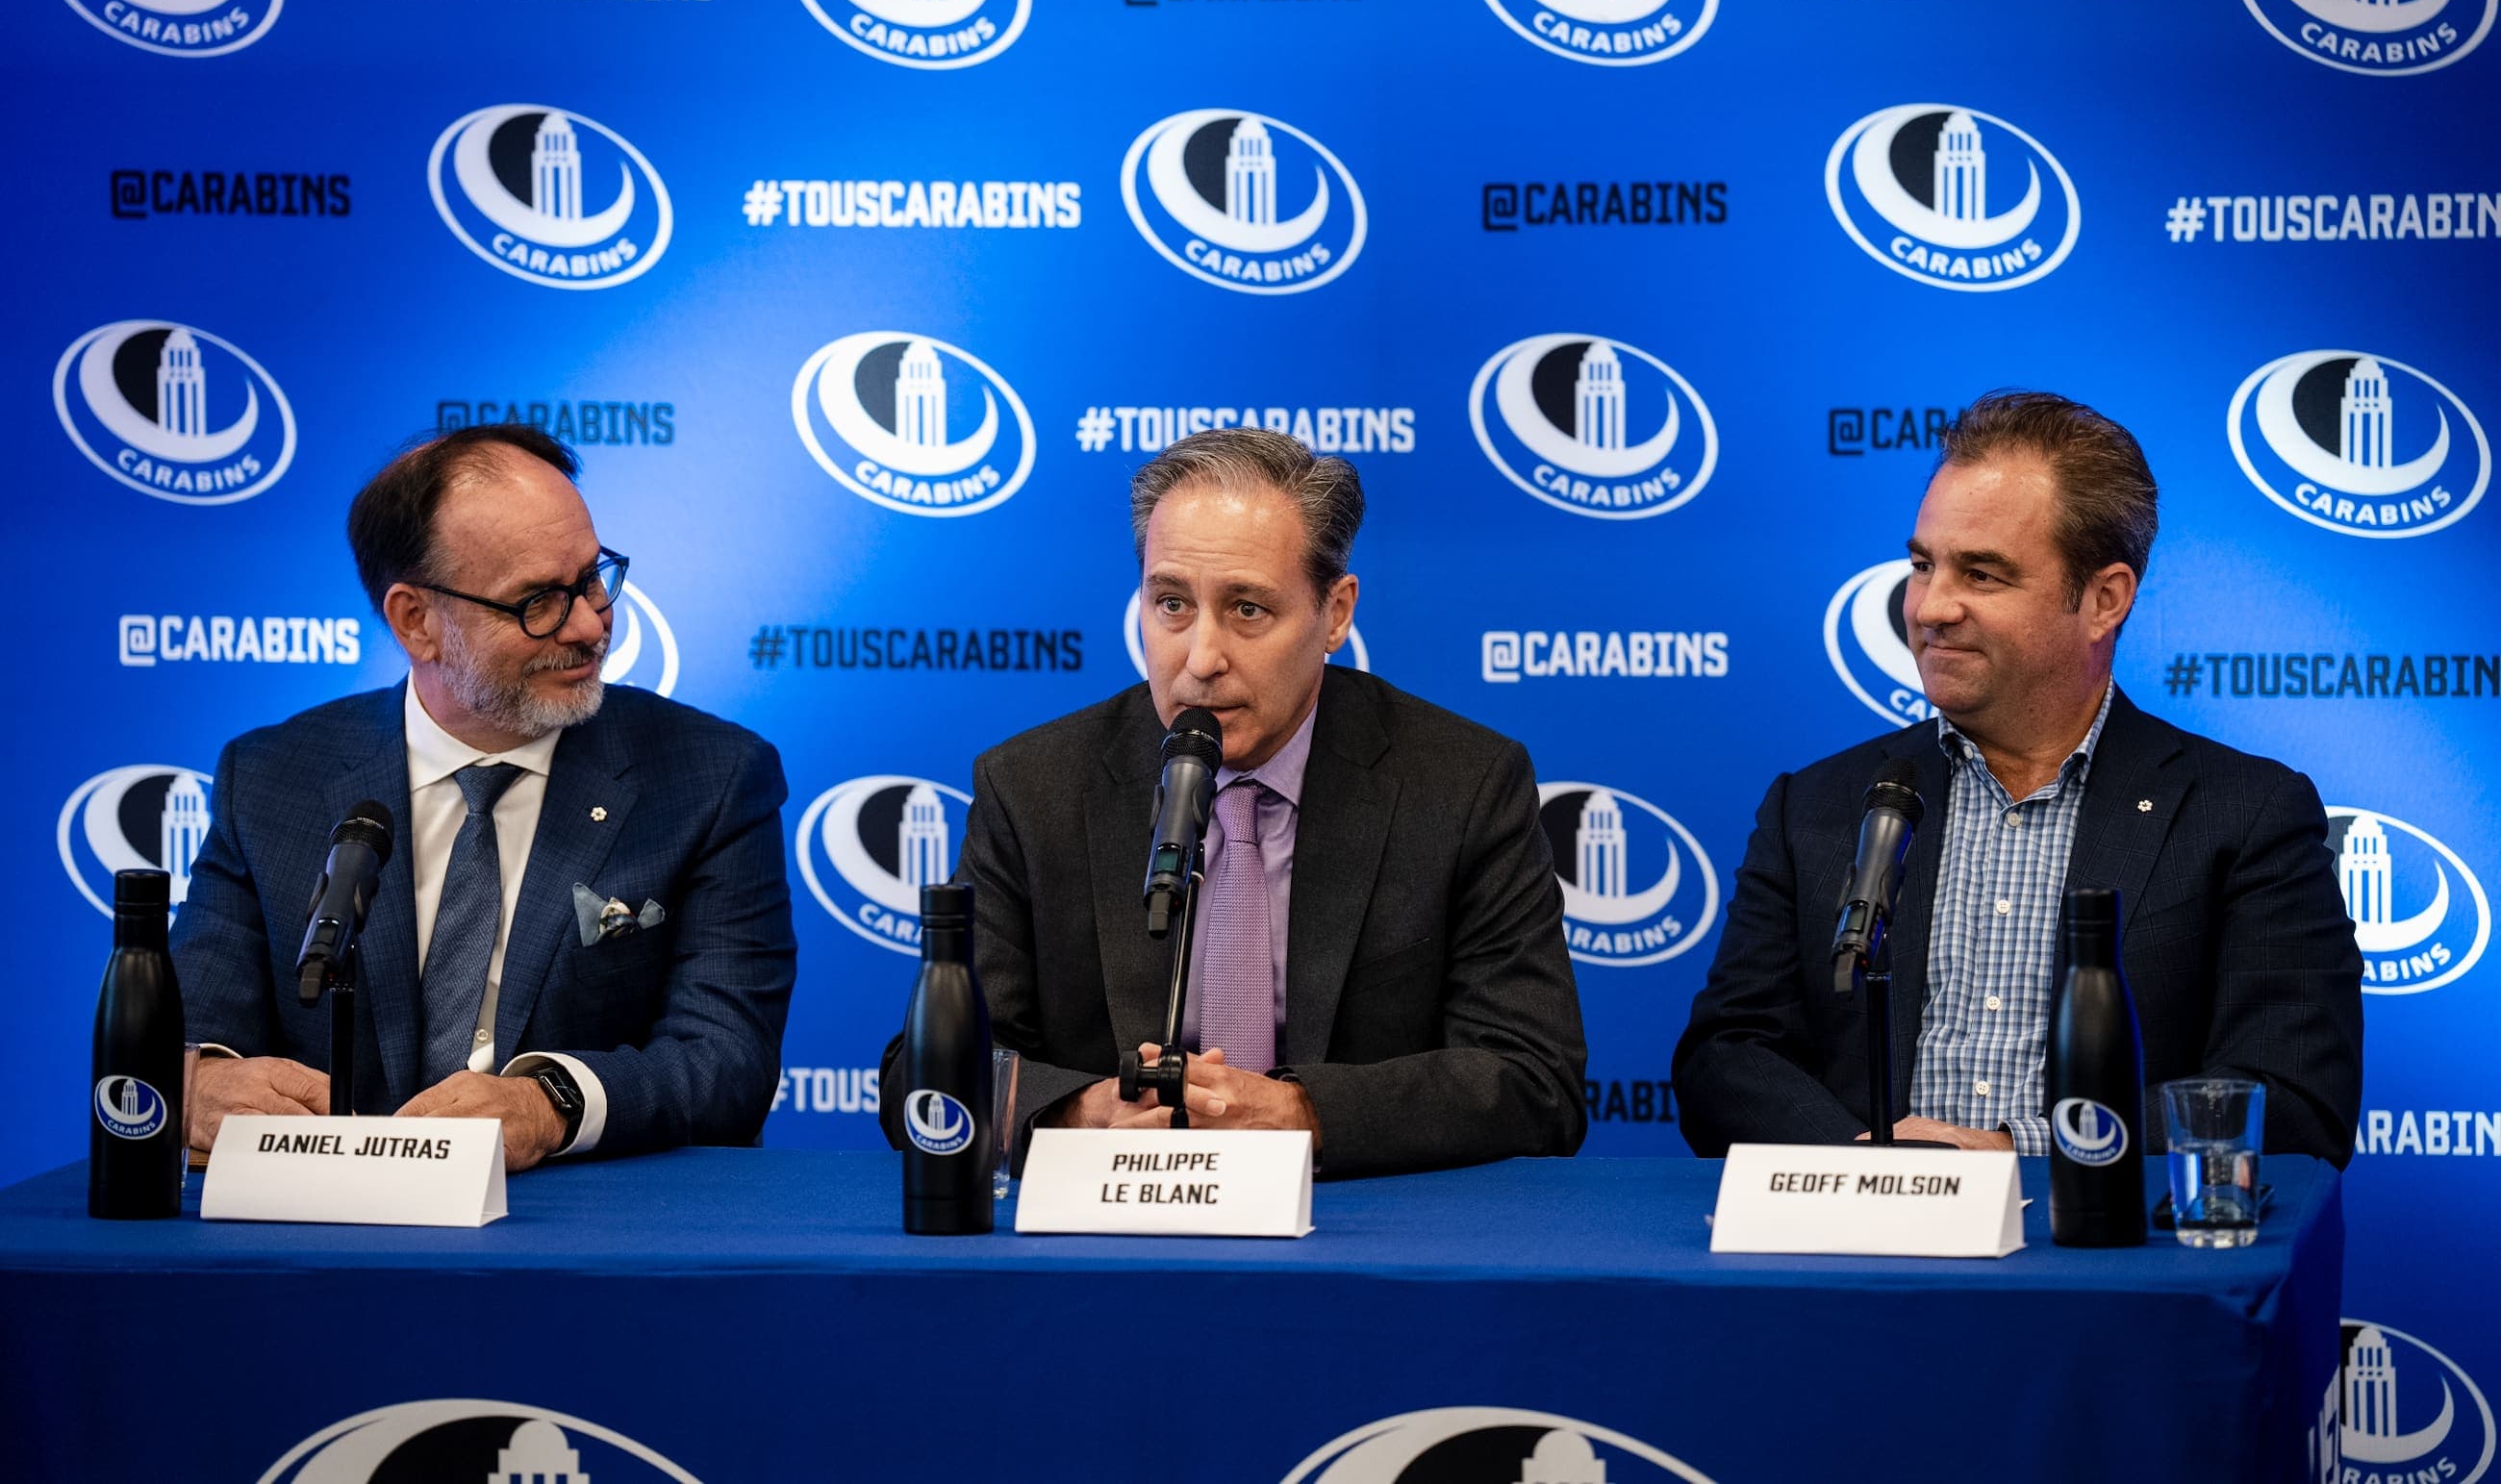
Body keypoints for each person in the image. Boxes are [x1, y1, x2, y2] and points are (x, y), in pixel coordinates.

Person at [1674, 392, 2362, 1163]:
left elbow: (2292, 1100)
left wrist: (2011, 1151)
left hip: (2101, 1238)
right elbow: (1725, 1059)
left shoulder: (2243, 814)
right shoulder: (1815, 805)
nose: (1931, 607)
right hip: (1859, 1232)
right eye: (1923, 565)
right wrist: (1875, 1169)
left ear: (2104, 599)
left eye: (1982, 573)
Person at [880, 429, 1586, 1176]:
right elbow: (921, 1079)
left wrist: (1303, 1113)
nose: (1201, 658)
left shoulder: (1463, 785)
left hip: (1357, 1228)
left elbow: (1535, 1076)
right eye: (1172, 603)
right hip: (1115, 1226)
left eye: (1248, 609)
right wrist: (1080, 1114)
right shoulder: (1032, 789)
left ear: (1336, 612)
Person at [173, 425, 796, 1172]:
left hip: (581, 1223)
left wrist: (551, 1103)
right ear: (417, 621)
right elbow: (190, 1031)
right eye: (539, 601)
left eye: (592, 577)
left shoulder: (710, 777)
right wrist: (200, 1082)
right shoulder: (272, 780)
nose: (590, 623)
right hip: (326, 1220)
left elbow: (727, 1059)